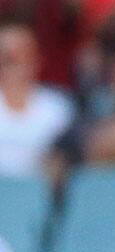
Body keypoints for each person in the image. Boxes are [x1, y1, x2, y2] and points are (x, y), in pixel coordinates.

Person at [0, 22, 74, 178]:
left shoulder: (58, 107)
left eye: (20, 56)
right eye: (6, 59)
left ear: (36, 60)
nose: (13, 65)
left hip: (40, 196)